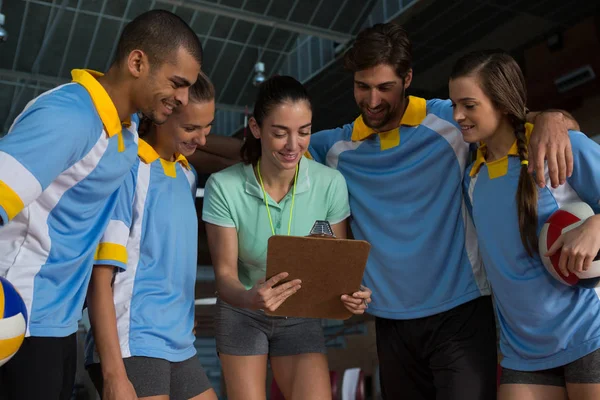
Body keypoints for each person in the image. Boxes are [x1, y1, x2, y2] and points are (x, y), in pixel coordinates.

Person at [305, 23, 578, 400]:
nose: (372, 100)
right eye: (362, 86)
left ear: (408, 79)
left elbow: (514, 119)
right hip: (389, 321)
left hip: (462, 312)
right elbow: (267, 150)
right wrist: (194, 140)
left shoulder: (451, 122)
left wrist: (552, 118)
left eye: (385, 87)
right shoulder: (333, 148)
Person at [0, 10, 201, 400]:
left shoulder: (124, 136)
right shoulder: (71, 116)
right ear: (138, 62)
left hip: (58, 328)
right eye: (178, 84)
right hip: (18, 321)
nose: (183, 100)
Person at [202, 75, 372, 400]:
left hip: (300, 311)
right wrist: (252, 298)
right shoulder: (224, 187)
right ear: (256, 128)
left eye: (304, 132)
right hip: (242, 309)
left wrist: (350, 294)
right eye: (280, 133)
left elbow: (335, 270)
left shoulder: (330, 184)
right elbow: (224, 279)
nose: (293, 146)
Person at [452, 50, 600, 400]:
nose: (457, 115)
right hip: (523, 352)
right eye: (454, 104)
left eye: (469, 105)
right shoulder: (473, 180)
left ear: (501, 103)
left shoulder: (561, 147)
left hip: (588, 334)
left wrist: (596, 224)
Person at [85, 72, 217, 400]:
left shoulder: (188, 175)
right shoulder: (131, 170)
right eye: (191, 128)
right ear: (161, 115)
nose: (202, 139)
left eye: (208, 126)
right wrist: (114, 374)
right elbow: (99, 279)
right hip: (132, 342)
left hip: (179, 344)